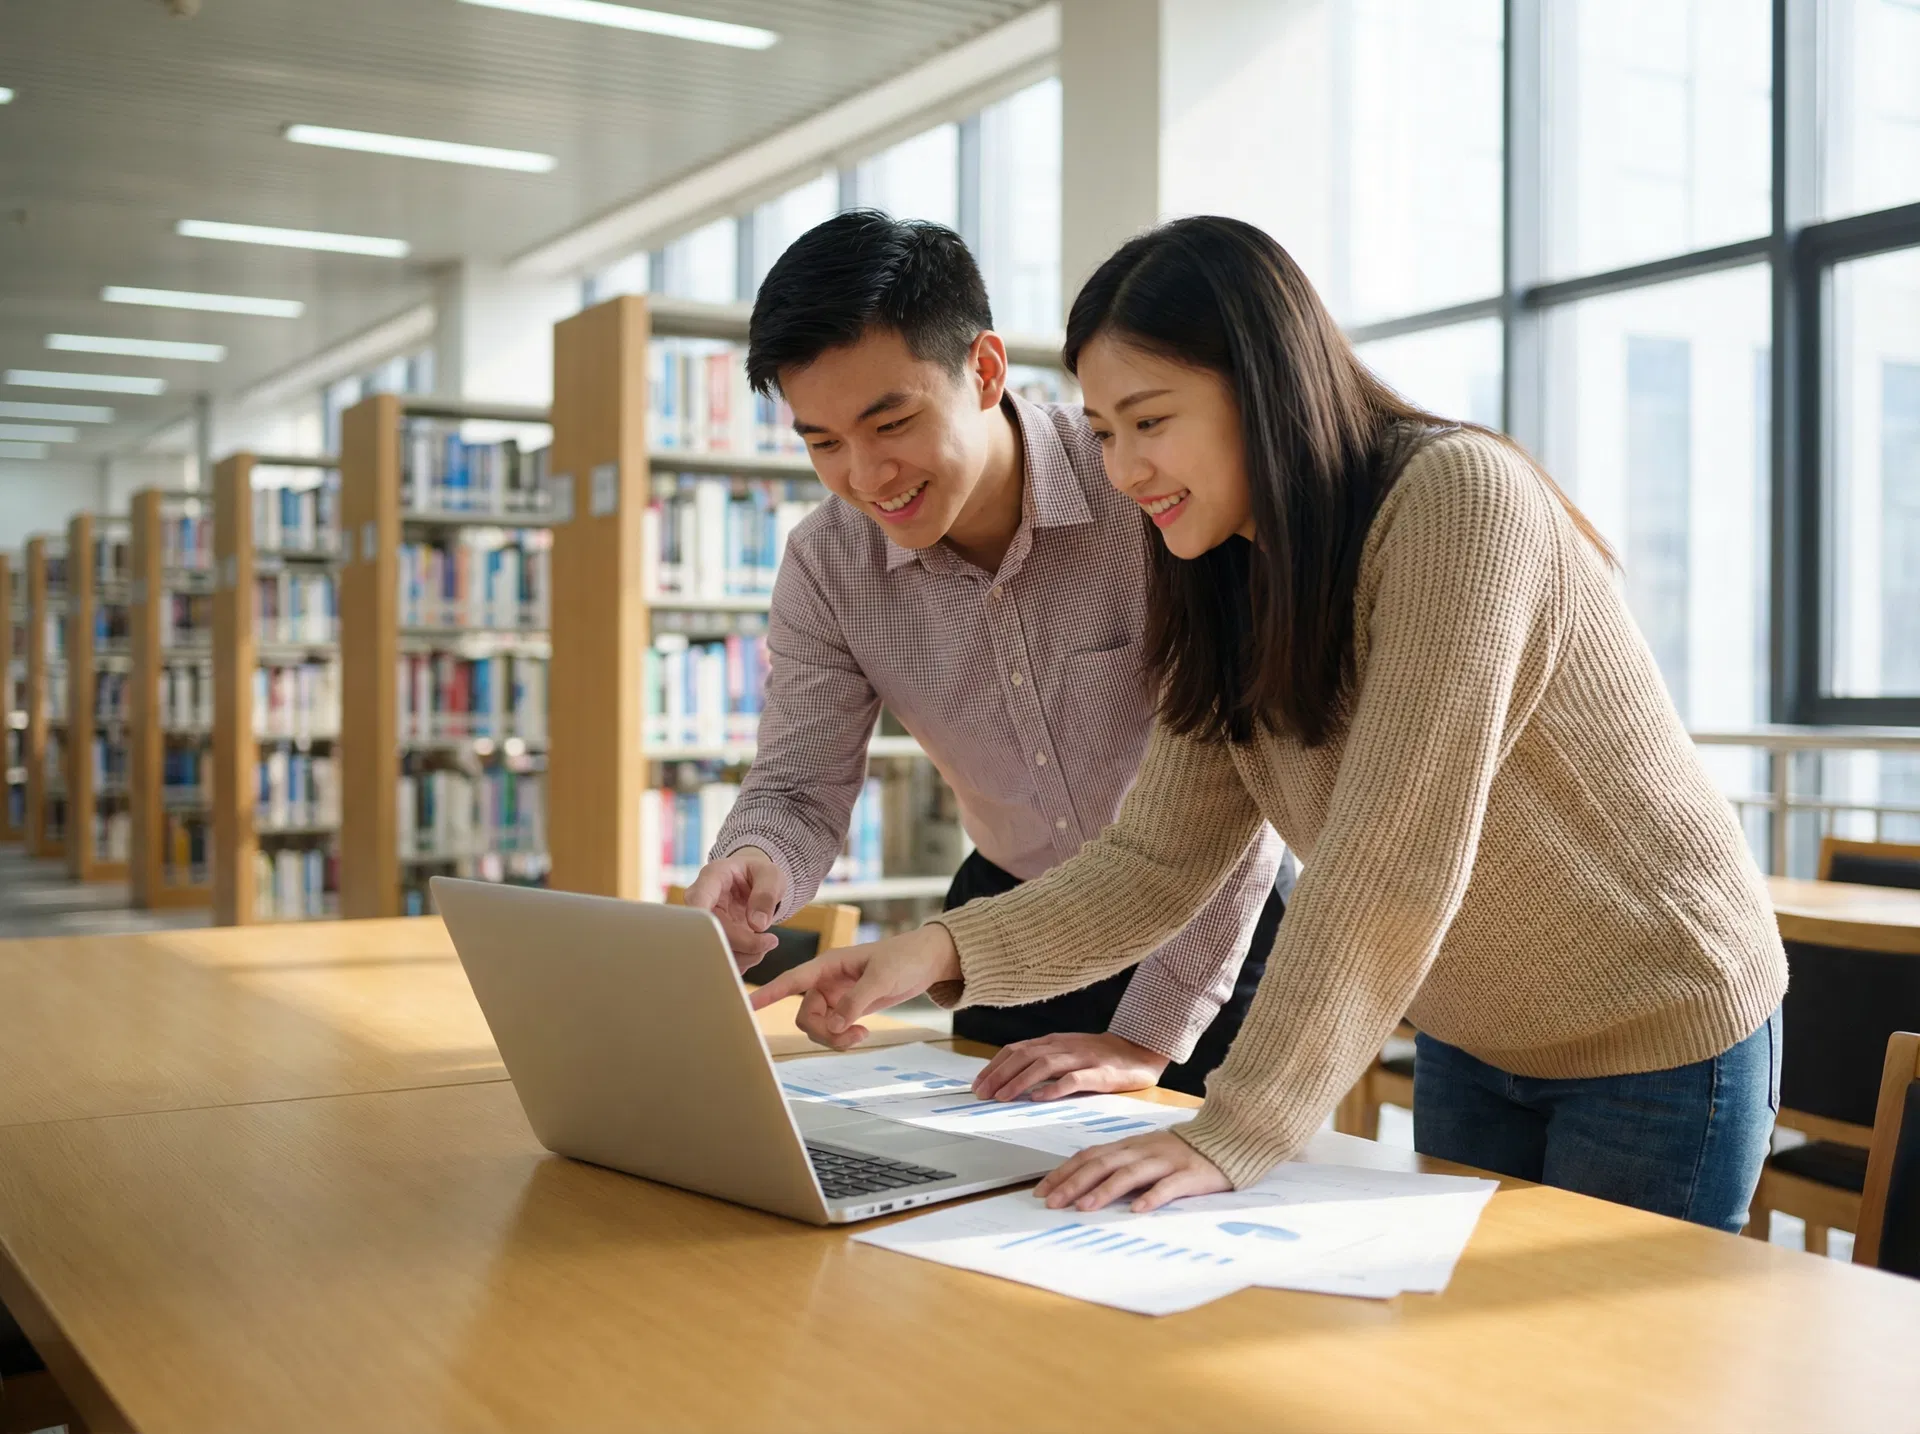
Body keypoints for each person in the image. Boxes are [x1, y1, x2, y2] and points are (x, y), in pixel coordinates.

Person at [752, 215, 1788, 1234]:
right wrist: (925, 955)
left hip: (1654, 1027)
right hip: (1474, 1033)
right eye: (1104, 432)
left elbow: (1388, 861)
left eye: (1151, 423)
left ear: (1263, 387)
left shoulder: (1458, 500)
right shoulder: (1225, 568)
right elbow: (1154, 864)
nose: (1122, 471)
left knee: (1600, 1393)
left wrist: (1230, 1128)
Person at [685, 209, 1288, 1100]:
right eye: (822, 443)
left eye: (890, 423)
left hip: (1214, 925)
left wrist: (1148, 1041)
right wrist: (758, 860)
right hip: (1008, 927)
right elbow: (798, 783)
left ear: (985, 370)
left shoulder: (1145, 491)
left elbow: (1238, 795)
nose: (864, 475)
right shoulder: (828, 561)